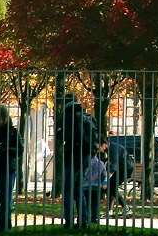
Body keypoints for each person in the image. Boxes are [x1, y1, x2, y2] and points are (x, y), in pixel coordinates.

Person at [58, 93, 97, 229]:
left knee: (68, 189)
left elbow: (62, 135)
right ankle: (83, 219)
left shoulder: (68, 116)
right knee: (79, 189)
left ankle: (68, 220)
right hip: (84, 158)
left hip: (71, 156)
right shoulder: (86, 117)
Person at [104, 134, 134, 218]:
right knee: (110, 188)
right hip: (121, 168)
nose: (100, 150)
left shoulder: (113, 150)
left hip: (125, 169)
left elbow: (113, 167)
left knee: (112, 187)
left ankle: (126, 208)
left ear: (104, 144)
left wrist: (106, 181)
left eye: (100, 148)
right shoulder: (111, 148)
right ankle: (109, 211)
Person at [82, 144, 109, 225]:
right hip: (96, 187)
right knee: (95, 204)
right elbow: (104, 175)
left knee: (86, 203)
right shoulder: (101, 163)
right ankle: (94, 218)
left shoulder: (85, 162)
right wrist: (104, 184)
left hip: (86, 186)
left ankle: (85, 218)